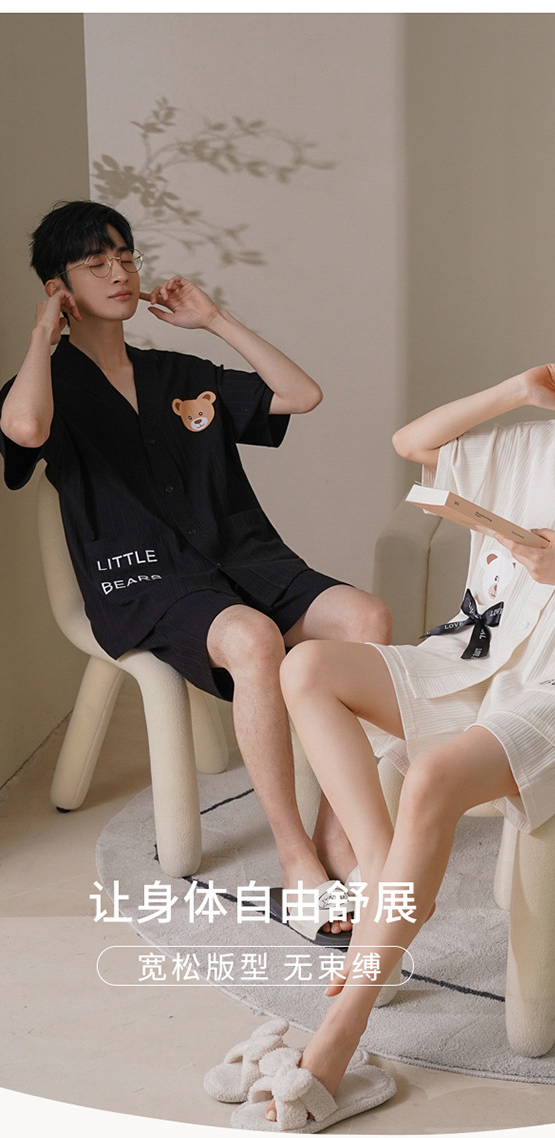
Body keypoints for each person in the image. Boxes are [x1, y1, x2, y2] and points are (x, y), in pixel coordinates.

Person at [232, 246, 555, 1130]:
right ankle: (392, 882)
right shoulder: (549, 441)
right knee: (305, 665)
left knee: (428, 775)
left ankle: (338, 1039)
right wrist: (517, 390)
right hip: (478, 659)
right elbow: (414, 444)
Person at [0, 199, 392, 944]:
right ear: (59, 287)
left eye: (125, 256)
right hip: (145, 581)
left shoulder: (176, 372)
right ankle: (296, 858)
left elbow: (301, 395)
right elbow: (23, 430)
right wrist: (41, 337)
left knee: (368, 618)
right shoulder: (49, 385)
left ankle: (337, 832)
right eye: (95, 263)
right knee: (252, 638)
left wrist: (214, 320)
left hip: (244, 559)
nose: (119, 272)